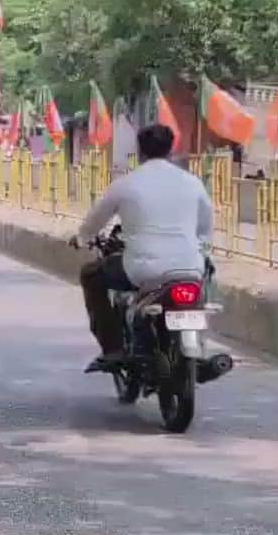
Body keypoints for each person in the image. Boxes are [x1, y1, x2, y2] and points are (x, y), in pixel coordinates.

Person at [67, 124, 212, 370]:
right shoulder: (193, 183)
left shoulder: (126, 184)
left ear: (140, 150)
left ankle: (113, 348)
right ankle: (200, 344)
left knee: (91, 275)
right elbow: (206, 226)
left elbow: (96, 219)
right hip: (189, 266)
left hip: (143, 270)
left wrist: (81, 238)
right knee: (206, 275)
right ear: (172, 149)